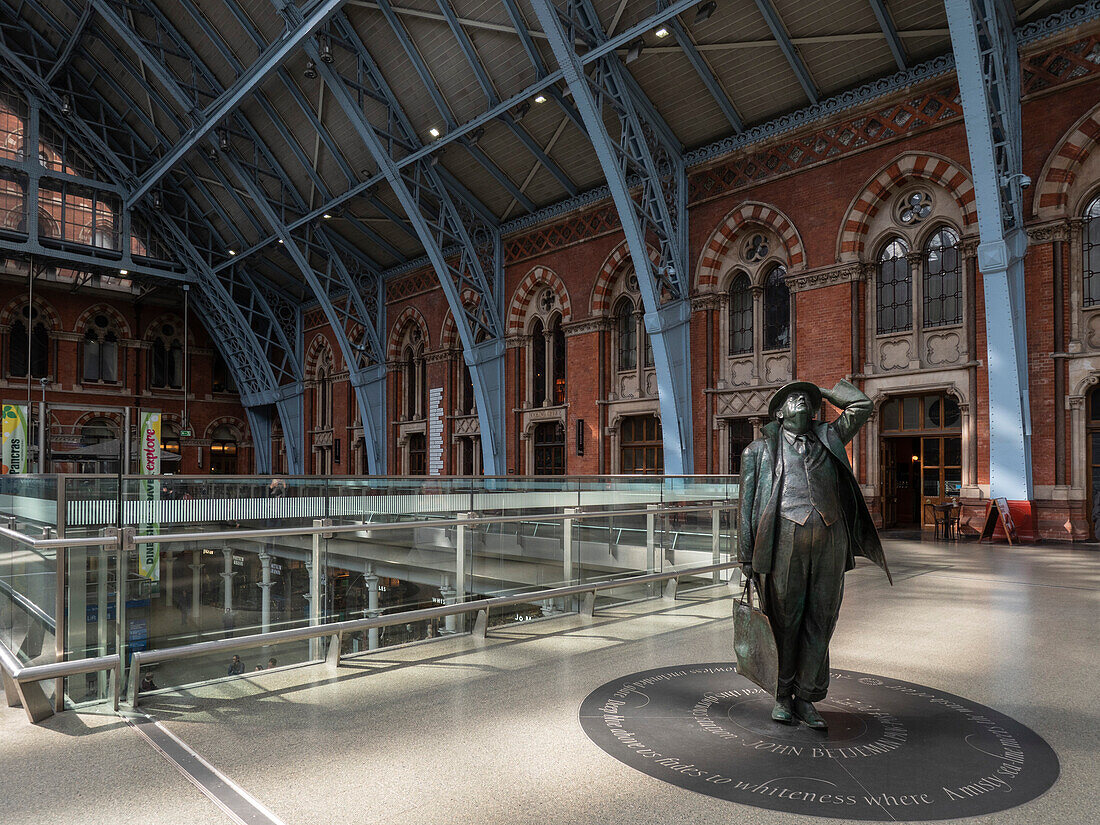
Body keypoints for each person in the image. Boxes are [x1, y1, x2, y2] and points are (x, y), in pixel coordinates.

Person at [738, 380, 891, 730]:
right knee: (785, 621)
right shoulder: (758, 451)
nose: (802, 403)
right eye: (794, 399)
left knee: (822, 620)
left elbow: (862, 406)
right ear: (778, 413)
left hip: (829, 538)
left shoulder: (830, 438)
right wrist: (746, 555)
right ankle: (781, 694)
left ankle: (806, 697)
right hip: (783, 540)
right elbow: (745, 507)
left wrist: (821, 391)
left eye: (807, 401)